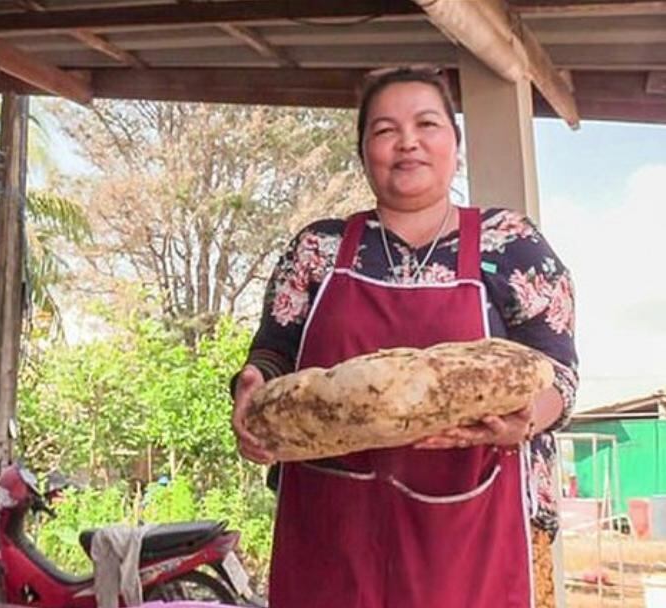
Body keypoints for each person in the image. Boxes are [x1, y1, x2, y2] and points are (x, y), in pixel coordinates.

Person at [230, 66, 578, 608]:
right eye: (385, 130)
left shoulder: (511, 244)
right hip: (331, 534)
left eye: (427, 124)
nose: (407, 141)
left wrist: (526, 417)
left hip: (474, 538)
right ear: (364, 151)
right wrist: (251, 386)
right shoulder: (317, 249)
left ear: (455, 145)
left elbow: (559, 375)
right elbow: (275, 351)